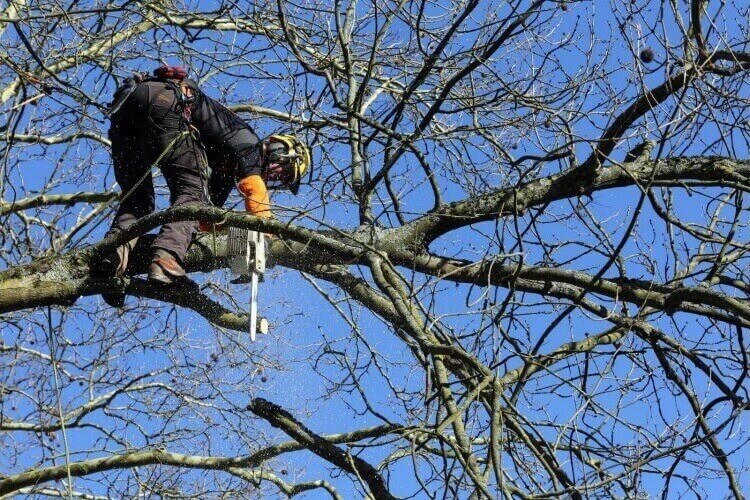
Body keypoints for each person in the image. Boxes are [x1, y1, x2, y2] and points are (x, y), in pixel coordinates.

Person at [95, 65, 308, 301]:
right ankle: (166, 260)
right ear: (279, 151)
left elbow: (202, 218)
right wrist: (266, 230)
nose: (275, 178)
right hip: (165, 103)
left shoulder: (225, 170)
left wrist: (239, 236)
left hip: (128, 111)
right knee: (190, 194)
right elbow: (253, 187)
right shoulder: (250, 144)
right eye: (282, 172)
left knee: (138, 199)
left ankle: (112, 257)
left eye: (282, 179)